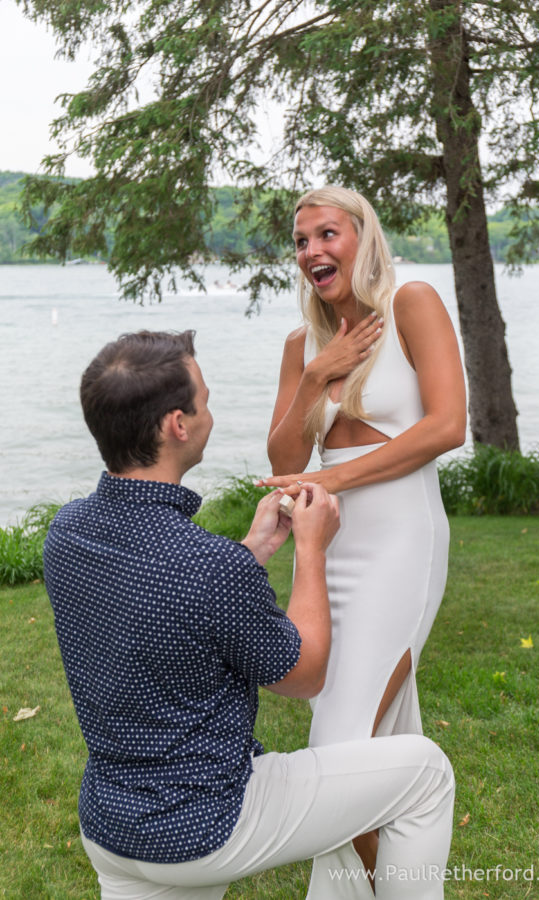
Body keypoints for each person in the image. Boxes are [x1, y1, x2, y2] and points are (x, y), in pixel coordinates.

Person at [44, 329, 455, 899]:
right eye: (205, 401)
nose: (211, 413)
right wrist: (311, 551)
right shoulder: (209, 568)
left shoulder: (66, 533)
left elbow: (165, 602)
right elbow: (306, 673)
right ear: (177, 425)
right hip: (208, 825)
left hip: (113, 833)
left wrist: (252, 550)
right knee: (425, 773)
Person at [258, 186, 466, 895]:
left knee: (338, 752)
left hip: (400, 544)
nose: (313, 250)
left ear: (362, 237)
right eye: (300, 241)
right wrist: (318, 373)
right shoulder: (301, 345)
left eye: (327, 234)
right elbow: (285, 456)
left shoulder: (413, 305)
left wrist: (335, 486)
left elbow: (446, 428)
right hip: (330, 551)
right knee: (372, 748)